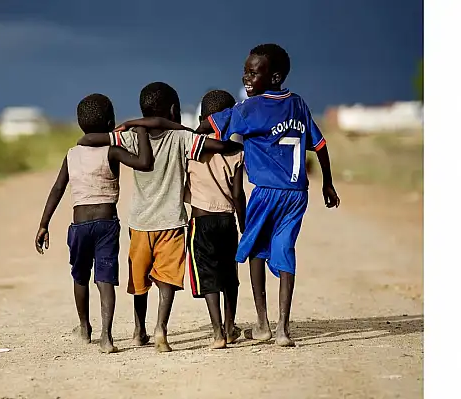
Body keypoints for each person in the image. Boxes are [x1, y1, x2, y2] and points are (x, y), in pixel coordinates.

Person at [77, 82, 242, 352]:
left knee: (139, 282)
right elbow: (222, 147)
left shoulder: (130, 137)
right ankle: (160, 329)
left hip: (140, 223)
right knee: (167, 280)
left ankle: (138, 330)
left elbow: (88, 140)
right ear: (174, 110)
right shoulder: (183, 138)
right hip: (172, 222)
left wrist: (131, 125)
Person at [204, 44, 340, 347]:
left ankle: (263, 323)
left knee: (255, 249)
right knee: (285, 250)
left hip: (266, 194)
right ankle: (283, 329)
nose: (246, 77)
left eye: (254, 72)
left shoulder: (250, 108)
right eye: (246, 71)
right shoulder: (298, 104)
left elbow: (212, 124)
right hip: (296, 194)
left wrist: (182, 131)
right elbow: (319, 145)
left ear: (275, 76)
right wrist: (327, 183)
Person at [35, 93, 155, 354]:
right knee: (105, 279)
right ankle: (106, 337)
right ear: (111, 121)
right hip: (106, 224)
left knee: (80, 277)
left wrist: (44, 224)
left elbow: (57, 189)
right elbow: (145, 163)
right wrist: (142, 131)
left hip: (79, 226)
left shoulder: (72, 154)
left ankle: (84, 326)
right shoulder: (112, 151)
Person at [185, 89, 246, 349]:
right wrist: (244, 224)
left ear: (201, 117)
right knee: (229, 276)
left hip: (201, 221)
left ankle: (217, 332)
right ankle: (231, 327)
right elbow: (238, 193)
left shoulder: (191, 146)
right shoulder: (235, 152)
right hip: (227, 220)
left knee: (208, 276)